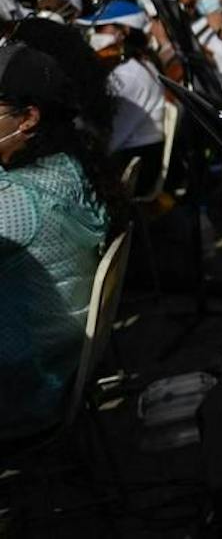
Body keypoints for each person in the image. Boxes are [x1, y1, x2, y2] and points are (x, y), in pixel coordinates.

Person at [0, 40, 112, 440]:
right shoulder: (68, 164)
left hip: (27, 390)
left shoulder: (16, 200)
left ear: (27, 118)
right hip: (64, 361)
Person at [82, 1, 167, 200]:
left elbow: (110, 141)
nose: (96, 33)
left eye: (102, 28)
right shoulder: (139, 62)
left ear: (125, 31)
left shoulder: (128, 74)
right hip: (135, 155)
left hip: (136, 167)